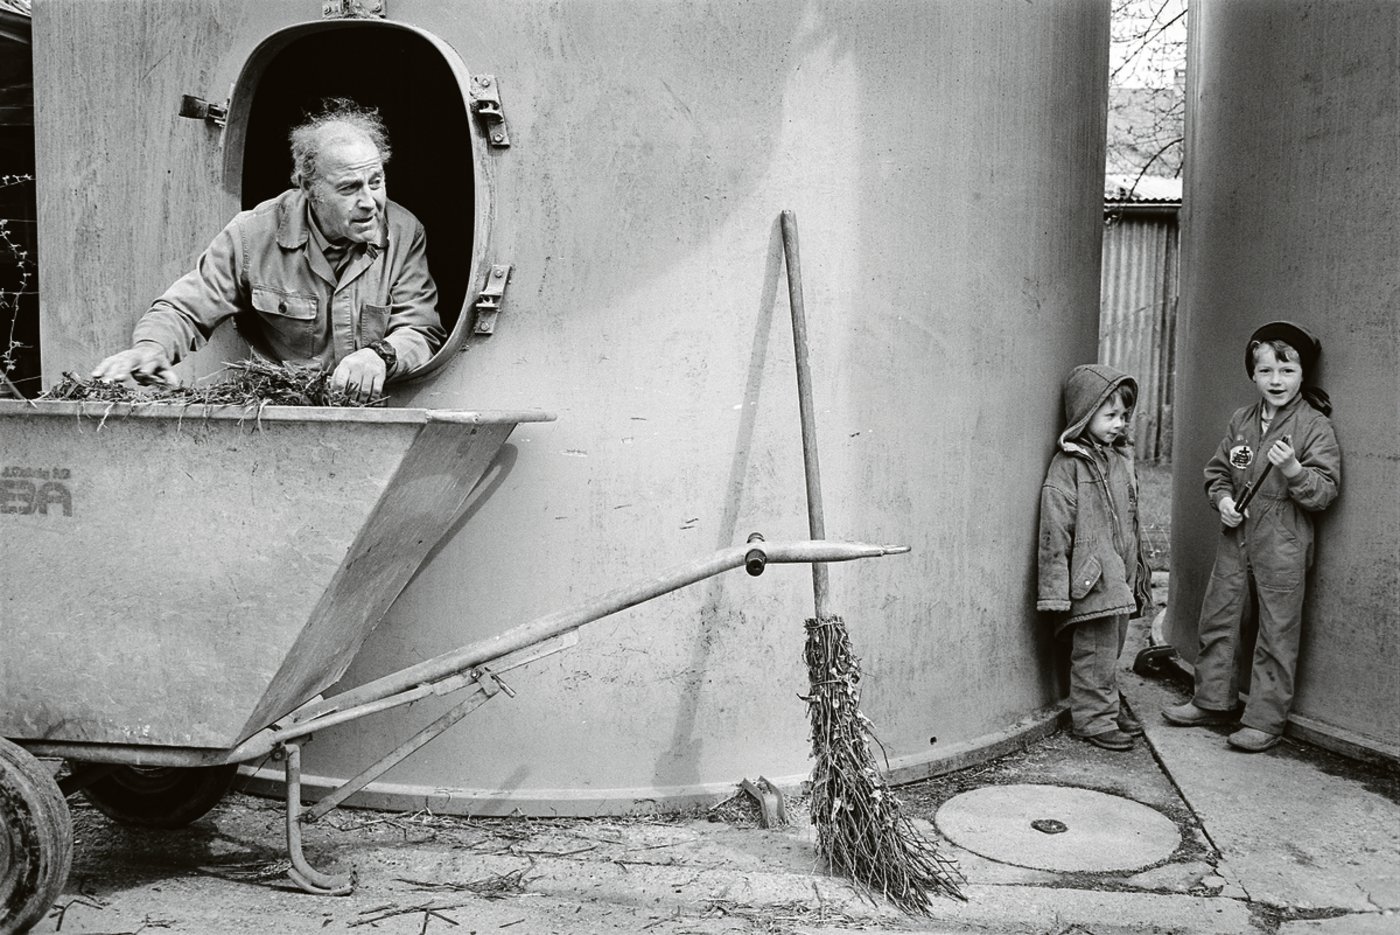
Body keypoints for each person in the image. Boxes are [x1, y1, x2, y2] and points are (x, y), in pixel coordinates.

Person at [92, 98, 444, 402]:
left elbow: (421, 330)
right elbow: (185, 308)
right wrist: (151, 349)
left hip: (377, 415)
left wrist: (379, 356)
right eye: (350, 188)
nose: (370, 202)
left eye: (376, 181)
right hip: (281, 413)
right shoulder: (252, 235)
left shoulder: (403, 231)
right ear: (309, 187)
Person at [1162, 321, 1341, 752]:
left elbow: (1325, 490)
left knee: (1277, 630)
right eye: (1265, 371)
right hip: (1235, 538)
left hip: (1283, 541)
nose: (1275, 381)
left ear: (1303, 376)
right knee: (1219, 616)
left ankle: (1264, 719)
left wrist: (1296, 471)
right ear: (1252, 374)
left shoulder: (1313, 426)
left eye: (1287, 371)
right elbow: (1218, 472)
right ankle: (1211, 700)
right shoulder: (1241, 420)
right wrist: (1221, 500)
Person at [1038, 364, 1154, 752]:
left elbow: (1130, 519)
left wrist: (1136, 571)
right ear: (1085, 415)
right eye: (1109, 416)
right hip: (1092, 580)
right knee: (1093, 654)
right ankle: (1092, 719)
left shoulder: (1117, 460)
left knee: (1113, 649)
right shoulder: (1068, 466)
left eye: (1123, 415)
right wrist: (1054, 593)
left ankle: (1105, 707)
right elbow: (1054, 531)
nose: (1119, 424)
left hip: (1116, 576)